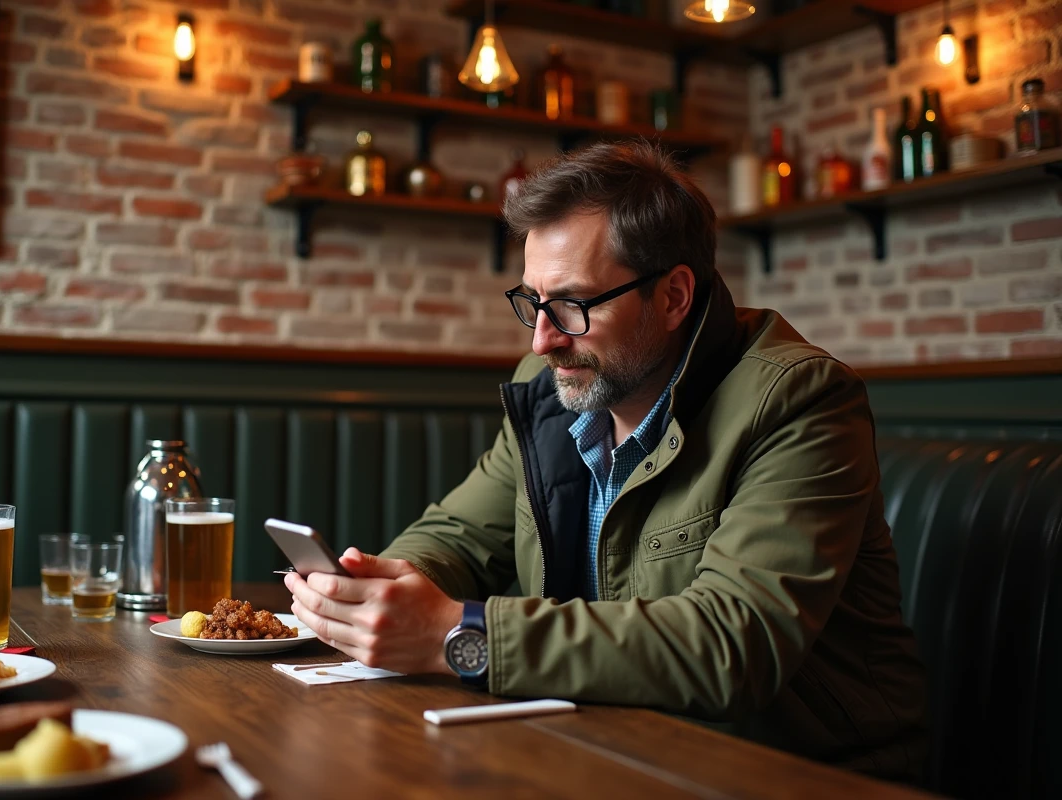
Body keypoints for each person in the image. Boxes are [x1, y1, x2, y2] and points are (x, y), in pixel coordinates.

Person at [284, 141, 928, 781]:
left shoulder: (797, 398)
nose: (543, 338)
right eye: (533, 302)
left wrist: (461, 633)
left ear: (674, 296)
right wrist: (380, 588)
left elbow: (733, 644)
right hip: (602, 750)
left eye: (573, 304)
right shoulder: (550, 390)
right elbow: (456, 535)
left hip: (796, 774)